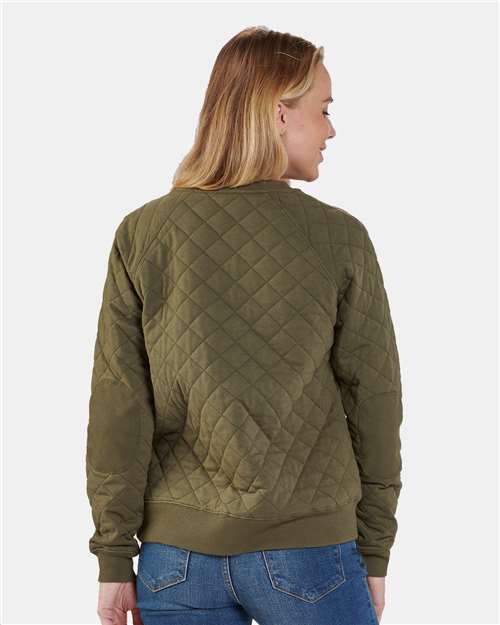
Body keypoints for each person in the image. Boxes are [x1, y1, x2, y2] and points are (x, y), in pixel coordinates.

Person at [86, 26, 403, 625]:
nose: (331, 130)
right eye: (324, 110)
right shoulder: (339, 238)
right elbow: (375, 401)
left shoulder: (144, 234)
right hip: (310, 553)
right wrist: (375, 546)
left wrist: (113, 556)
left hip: (175, 561)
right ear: (280, 114)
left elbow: (119, 407)